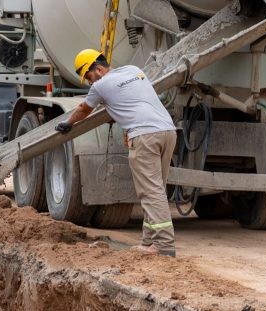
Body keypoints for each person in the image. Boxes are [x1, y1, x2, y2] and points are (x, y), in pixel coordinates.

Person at [57, 49, 178, 256]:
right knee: (157, 188)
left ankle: (165, 245)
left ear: (99, 68)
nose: (88, 81)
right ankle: (149, 241)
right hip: (167, 131)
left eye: (88, 75)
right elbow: (132, 100)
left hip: (144, 136)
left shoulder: (100, 86)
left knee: (151, 192)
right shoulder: (133, 70)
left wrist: (67, 123)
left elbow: (84, 110)